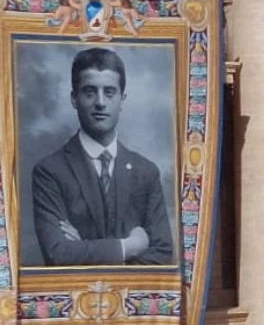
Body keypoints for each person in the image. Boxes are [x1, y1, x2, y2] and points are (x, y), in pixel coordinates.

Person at [31, 47, 172, 265]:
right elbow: (58, 253)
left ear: (122, 99)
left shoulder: (146, 172)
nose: (100, 102)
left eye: (109, 92)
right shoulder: (50, 171)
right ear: (74, 98)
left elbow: (162, 254)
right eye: (89, 91)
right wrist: (130, 247)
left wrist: (83, 250)